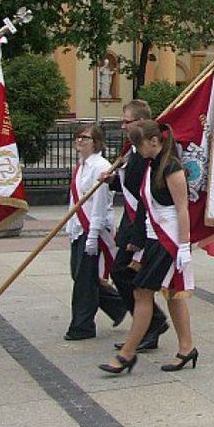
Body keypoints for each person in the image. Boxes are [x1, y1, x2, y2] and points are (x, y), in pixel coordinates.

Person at [100, 121, 197, 374]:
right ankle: (186, 348)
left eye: (138, 144)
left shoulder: (172, 167)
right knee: (173, 294)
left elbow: (182, 208)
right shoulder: (152, 165)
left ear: (154, 141)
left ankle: (127, 354)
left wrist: (184, 246)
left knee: (142, 292)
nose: (137, 149)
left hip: (169, 239)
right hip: (154, 237)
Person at [106, 100, 169, 353]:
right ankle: (148, 326)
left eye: (127, 121)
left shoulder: (145, 155)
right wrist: (111, 180)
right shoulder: (131, 150)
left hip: (141, 223)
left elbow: (143, 191)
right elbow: (129, 184)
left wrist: (138, 235)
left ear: (141, 123)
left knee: (124, 273)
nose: (123, 126)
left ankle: (152, 324)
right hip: (131, 219)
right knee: (123, 273)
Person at [64, 124, 127, 341]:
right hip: (79, 227)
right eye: (78, 137)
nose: (80, 141)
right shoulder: (81, 165)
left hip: (94, 229)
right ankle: (118, 305)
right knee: (80, 275)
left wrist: (92, 235)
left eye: (85, 137)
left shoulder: (101, 166)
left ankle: (82, 326)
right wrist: (70, 225)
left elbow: (100, 204)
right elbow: (75, 199)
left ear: (97, 142)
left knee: (84, 280)